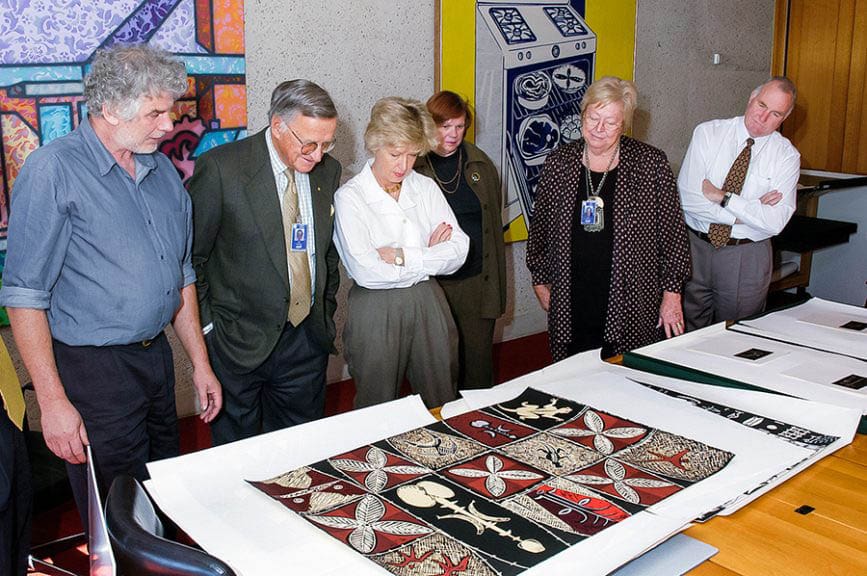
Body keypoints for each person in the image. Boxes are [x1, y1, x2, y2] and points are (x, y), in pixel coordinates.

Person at [0, 45, 222, 526]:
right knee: (113, 513)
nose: (169, 126)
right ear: (107, 108)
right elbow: (24, 296)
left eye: (170, 111)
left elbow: (181, 274)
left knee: (159, 495)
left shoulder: (162, 171)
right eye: (156, 113)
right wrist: (54, 403)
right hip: (93, 371)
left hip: (155, 361)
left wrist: (199, 365)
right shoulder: (53, 171)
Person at [188, 80, 342, 445]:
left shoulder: (327, 171)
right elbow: (192, 260)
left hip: (305, 342)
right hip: (237, 344)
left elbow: (327, 253)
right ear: (277, 125)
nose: (318, 155)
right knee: (236, 458)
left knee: (301, 454)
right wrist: (210, 331)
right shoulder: (222, 170)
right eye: (309, 143)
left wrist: (325, 313)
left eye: (327, 143)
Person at [527, 76, 691, 361]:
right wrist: (540, 282)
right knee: (572, 373)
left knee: (625, 375)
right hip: (571, 294)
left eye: (611, 122)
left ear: (625, 124)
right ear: (582, 115)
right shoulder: (559, 163)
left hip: (633, 296)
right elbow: (539, 229)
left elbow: (674, 237)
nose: (599, 129)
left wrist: (672, 294)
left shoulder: (650, 163)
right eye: (594, 118)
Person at [333, 97, 469, 409]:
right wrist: (429, 255)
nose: (403, 165)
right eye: (394, 154)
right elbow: (366, 271)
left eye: (411, 155)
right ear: (374, 145)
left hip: (427, 298)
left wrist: (402, 256)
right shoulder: (350, 198)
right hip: (375, 306)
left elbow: (459, 250)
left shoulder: (424, 187)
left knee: (443, 393)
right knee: (376, 401)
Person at [678, 77, 799, 329]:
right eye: (761, 105)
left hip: (746, 255)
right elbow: (688, 199)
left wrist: (724, 197)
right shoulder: (708, 133)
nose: (763, 118)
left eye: (775, 113)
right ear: (751, 99)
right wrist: (748, 210)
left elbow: (775, 222)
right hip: (695, 248)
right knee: (686, 333)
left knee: (738, 333)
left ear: (785, 117)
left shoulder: (787, 156)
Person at [414, 91, 506, 390]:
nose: (452, 135)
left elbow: (492, 229)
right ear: (430, 125)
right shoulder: (414, 167)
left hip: (476, 281)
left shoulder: (480, 164)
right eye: (444, 126)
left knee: (477, 370)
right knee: (437, 369)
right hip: (433, 284)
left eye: (459, 126)